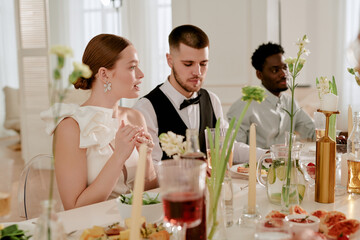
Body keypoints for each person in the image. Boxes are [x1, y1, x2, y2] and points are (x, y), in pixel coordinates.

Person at [41, 34, 157, 210]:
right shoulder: (71, 128)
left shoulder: (135, 117)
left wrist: (146, 158)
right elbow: (73, 208)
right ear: (104, 74)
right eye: (132, 67)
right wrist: (119, 156)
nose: (141, 74)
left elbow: (149, 194)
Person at [133, 24, 265, 163]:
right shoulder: (146, 108)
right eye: (188, 64)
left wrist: (268, 155)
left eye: (203, 63)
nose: (198, 72)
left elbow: (229, 147)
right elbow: (149, 169)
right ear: (170, 61)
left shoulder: (212, 100)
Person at [227, 42, 316, 149]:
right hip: (256, 165)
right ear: (259, 74)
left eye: (285, 67)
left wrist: (339, 136)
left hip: (287, 164)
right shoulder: (244, 106)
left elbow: (312, 131)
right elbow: (235, 148)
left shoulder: (290, 102)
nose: (284, 74)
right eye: (275, 70)